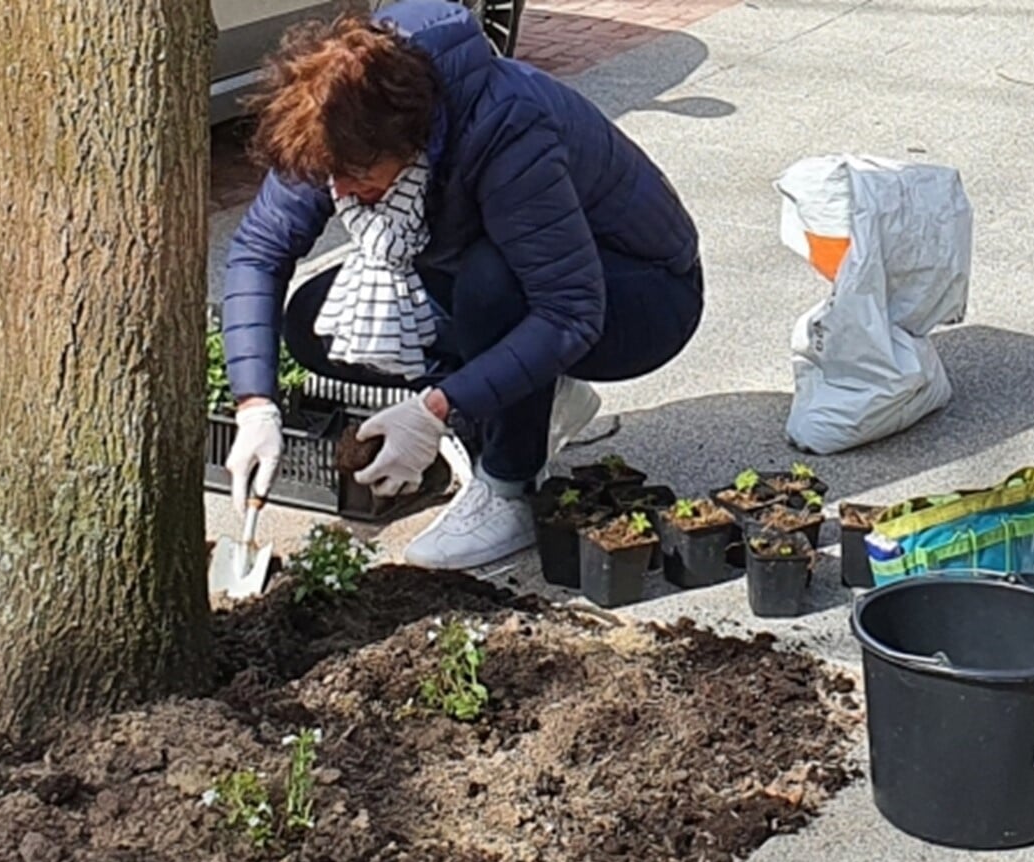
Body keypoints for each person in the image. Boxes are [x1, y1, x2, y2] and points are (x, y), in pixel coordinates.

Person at [220, 0, 704, 570]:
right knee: (314, 321)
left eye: (357, 176)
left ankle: (507, 488)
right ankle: (539, 400)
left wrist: (433, 410)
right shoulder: (333, 115)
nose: (342, 192)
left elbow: (569, 310)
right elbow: (259, 250)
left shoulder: (505, 123)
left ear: (409, 140)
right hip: (540, 277)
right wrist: (255, 404)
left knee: (489, 283)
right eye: (332, 177)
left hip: (643, 296)